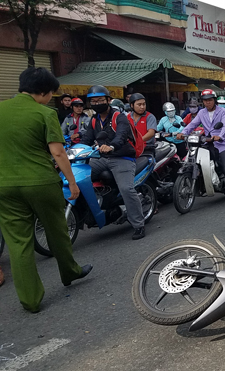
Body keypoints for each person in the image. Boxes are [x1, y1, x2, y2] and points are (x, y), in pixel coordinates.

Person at [0, 67, 92, 313]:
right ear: (42, 92)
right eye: (50, 94)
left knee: (18, 243)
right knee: (56, 230)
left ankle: (30, 300)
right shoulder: (45, 113)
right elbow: (58, 152)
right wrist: (72, 183)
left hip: (4, 187)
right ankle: (70, 271)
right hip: (41, 183)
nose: (50, 98)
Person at [80, 85, 146, 240]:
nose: (97, 103)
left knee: (126, 188)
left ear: (108, 100)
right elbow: (86, 139)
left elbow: (121, 135)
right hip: (102, 158)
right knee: (79, 175)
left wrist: (111, 146)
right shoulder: (94, 120)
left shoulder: (119, 117)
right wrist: (70, 150)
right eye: (93, 101)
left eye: (100, 100)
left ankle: (138, 224)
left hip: (122, 158)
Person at [176, 89, 225, 193]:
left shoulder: (223, 112)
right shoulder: (201, 112)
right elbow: (192, 124)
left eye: (209, 100)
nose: (207, 102)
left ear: (214, 100)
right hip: (208, 142)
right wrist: (183, 133)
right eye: (205, 100)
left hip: (222, 144)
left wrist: (220, 136)